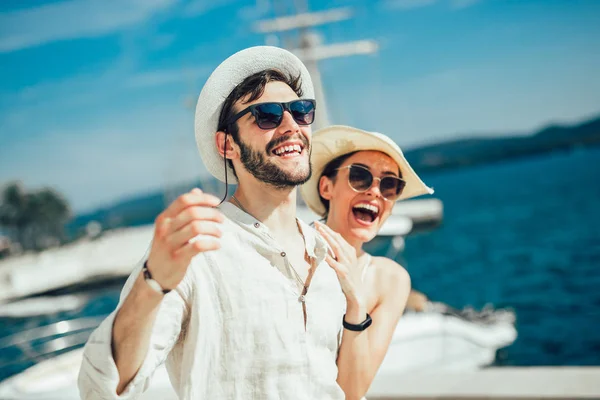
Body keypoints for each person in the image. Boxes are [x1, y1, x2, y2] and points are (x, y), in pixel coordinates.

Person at [78, 47, 351, 399]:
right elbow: (100, 387)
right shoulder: (199, 250)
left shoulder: (326, 257)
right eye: (266, 116)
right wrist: (153, 281)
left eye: (301, 112)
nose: (290, 126)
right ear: (227, 145)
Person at [299, 125, 434, 398]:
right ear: (327, 187)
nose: (375, 191)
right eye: (360, 177)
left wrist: (355, 300)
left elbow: (352, 391)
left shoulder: (390, 279)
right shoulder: (294, 254)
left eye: (389, 185)